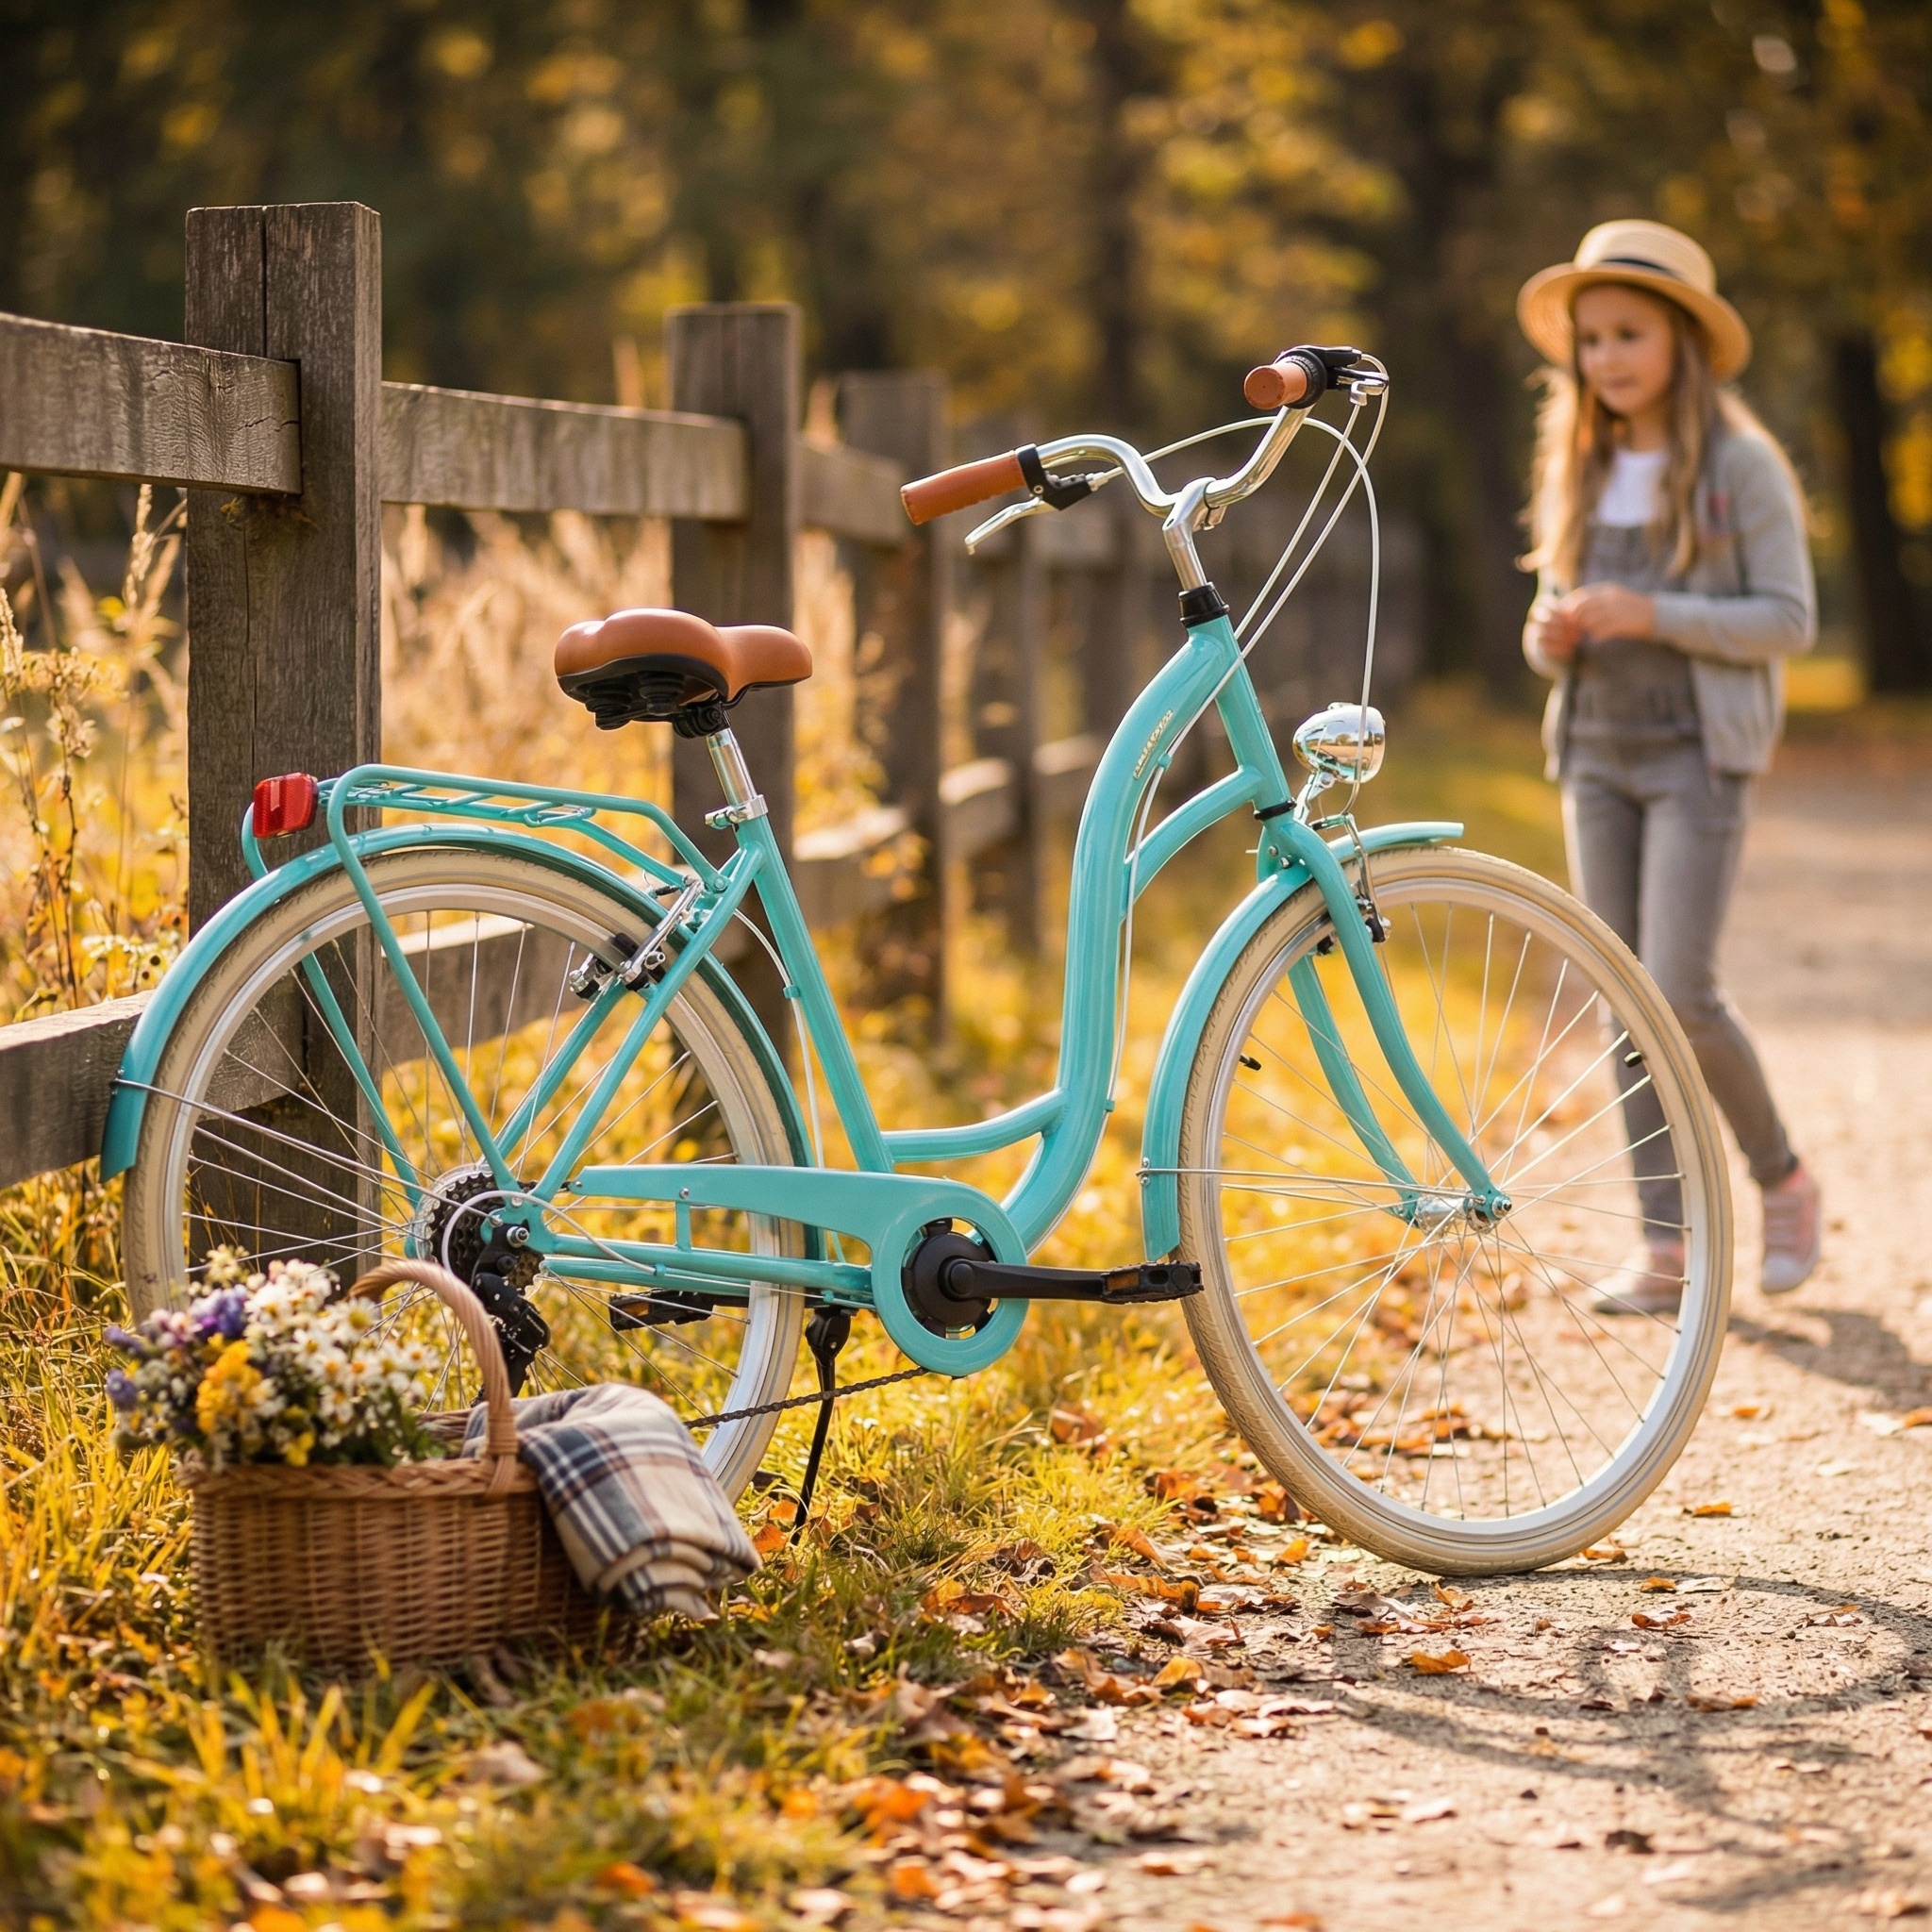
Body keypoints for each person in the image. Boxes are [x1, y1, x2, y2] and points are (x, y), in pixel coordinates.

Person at [1516, 218, 1820, 1313]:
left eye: (1627, 334)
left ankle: (1780, 1177)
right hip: (1594, 750)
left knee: (1678, 991)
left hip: (1694, 756)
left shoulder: (1738, 466)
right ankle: (1664, 1245)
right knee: (1618, 997)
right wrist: (1548, 636)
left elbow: (1787, 617)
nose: (1604, 358)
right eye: (1589, 338)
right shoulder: (1577, 463)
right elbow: (1542, 617)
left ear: (1682, 342)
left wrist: (1653, 610)